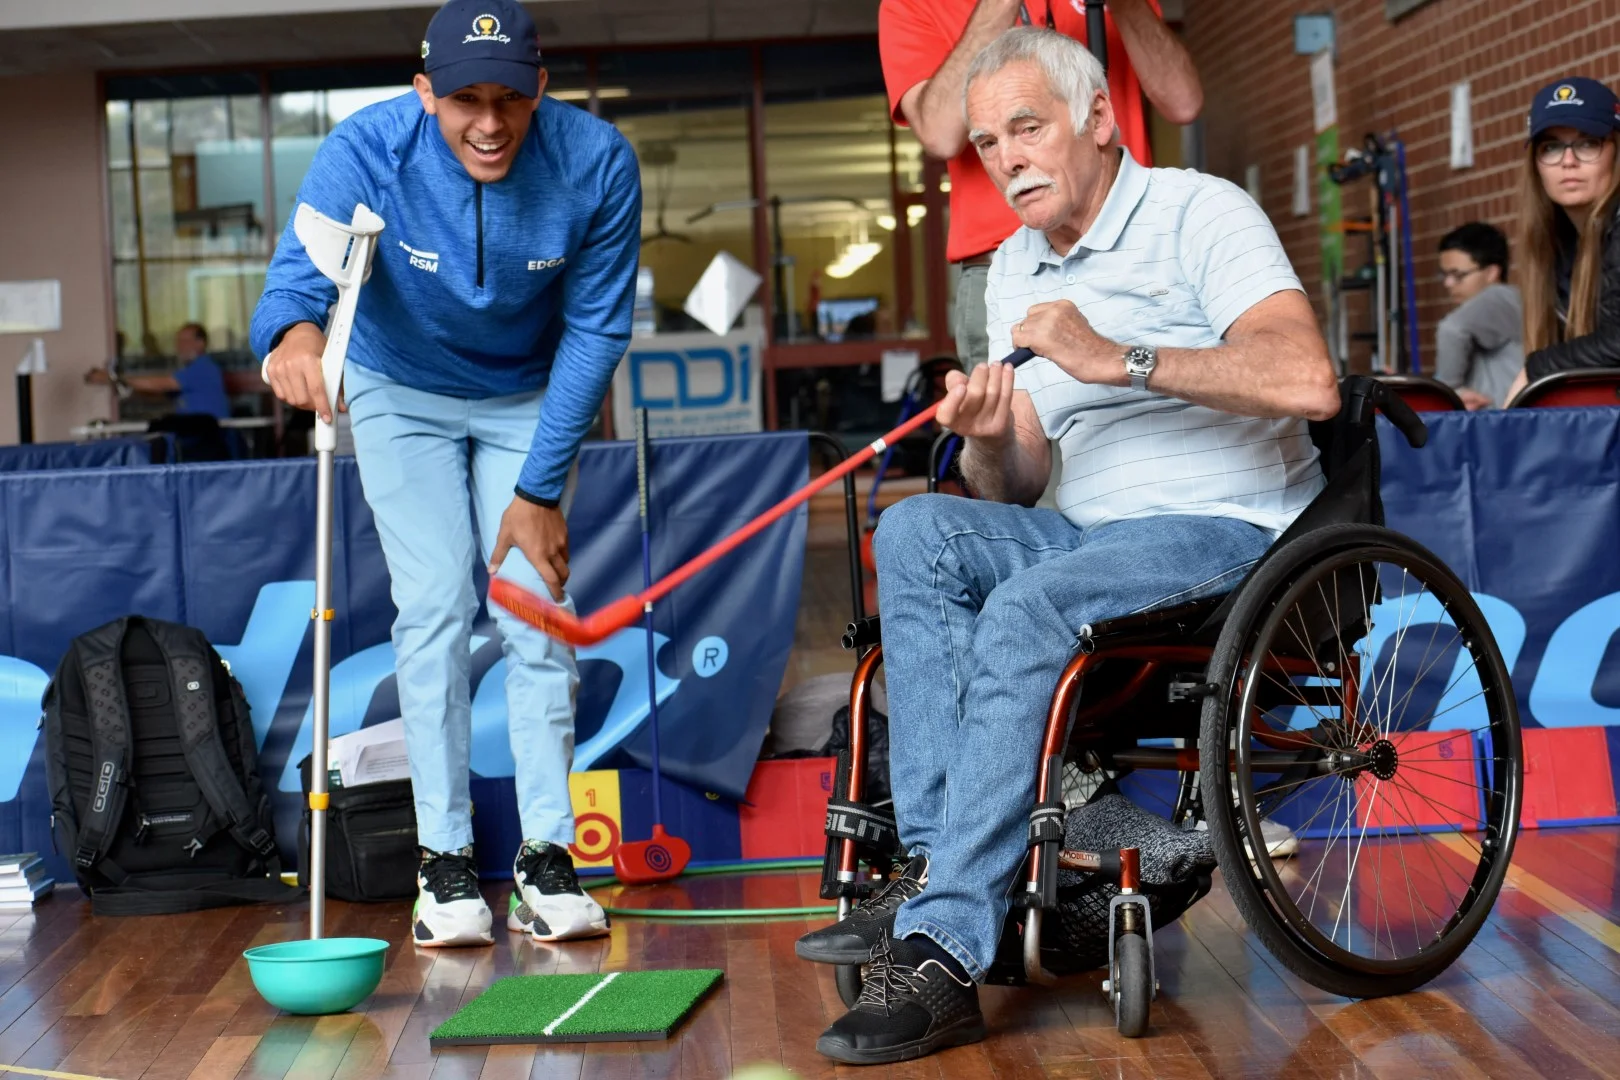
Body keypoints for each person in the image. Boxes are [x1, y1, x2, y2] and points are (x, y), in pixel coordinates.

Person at [797, 27, 1338, 1064]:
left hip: (1223, 523)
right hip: (1083, 533)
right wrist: (987, 437)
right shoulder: (1016, 264)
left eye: (1027, 128)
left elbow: (1308, 379)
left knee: (1028, 605)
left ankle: (944, 952)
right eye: (988, 142)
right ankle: (936, 871)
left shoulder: (1200, 211)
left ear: (1096, 118)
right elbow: (1017, 484)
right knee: (917, 527)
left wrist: (1112, 356)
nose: (1006, 159)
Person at [251, 0, 640, 948]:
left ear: (540, 87)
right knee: (430, 607)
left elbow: (596, 330)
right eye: (466, 99)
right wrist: (294, 340)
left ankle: (547, 857)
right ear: (425, 93)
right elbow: (297, 280)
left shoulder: (596, 161)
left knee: (534, 609)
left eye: (509, 97)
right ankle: (446, 863)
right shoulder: (366, 149)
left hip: (528, 394)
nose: (490, 123)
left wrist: (539, 489)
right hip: (397, 387)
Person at [878, 0, 1201, 372]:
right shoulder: (910, 5)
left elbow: (1184, 103)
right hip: (1005, 268)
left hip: (1134, 247)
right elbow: (939, 133)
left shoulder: (1205, 204)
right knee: (1015, 409)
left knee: (1163, 394)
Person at [1505, 76, 1620, 403]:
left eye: (1588, 143)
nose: (1568, 161)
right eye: (1552, 147)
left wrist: (1535, 371)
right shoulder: (1557, 243)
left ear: (1615, 152)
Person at [1434, 223, 1523, 410]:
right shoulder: (1505, 302)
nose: (1448, 283)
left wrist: (1448, 391)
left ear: (1491, 273)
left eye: (1457, 274)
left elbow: (1451, 329)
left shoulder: (1497, 297)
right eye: (1444, 274)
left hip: (1503, 417)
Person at [85, 322, 231, 420]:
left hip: (208, 441)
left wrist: (112, 377)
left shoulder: (203, 367)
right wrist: (123, 387)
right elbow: (158, 394)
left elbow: (159, 384)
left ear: (201, 343)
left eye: (185, 341)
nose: (180, 346)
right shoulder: (188, 370)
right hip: (193, 438)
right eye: (178, 341)